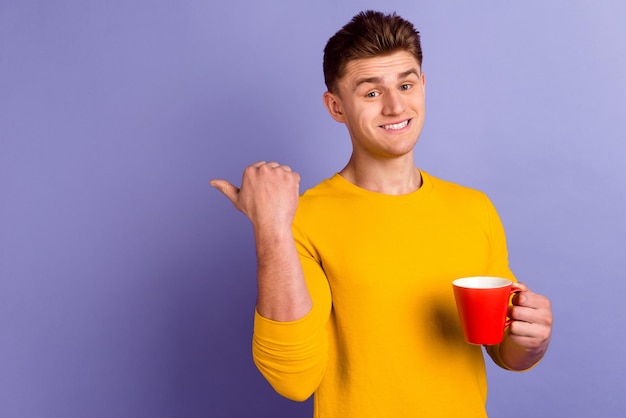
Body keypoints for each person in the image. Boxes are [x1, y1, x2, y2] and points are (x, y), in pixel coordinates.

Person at [210, 10, 552, 417]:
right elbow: (293, 380)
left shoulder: (474, 208)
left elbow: (504, 351)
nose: (394, 106)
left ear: (423, 86)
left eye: (406, 85)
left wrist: (531, 342)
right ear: (336, 107)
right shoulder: (301, 219)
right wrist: (270, 228)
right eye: (371, 93)